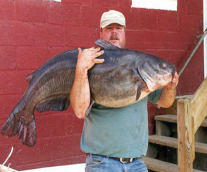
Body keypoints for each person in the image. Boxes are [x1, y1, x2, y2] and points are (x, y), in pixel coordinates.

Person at [70, 10, 179, 172]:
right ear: (100, 32)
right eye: (109, 28)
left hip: (137, 163)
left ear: (124, 32)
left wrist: (170, 88)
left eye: (119, 28)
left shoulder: (142, 69)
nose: (114, 32)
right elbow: (79, 110)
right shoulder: (88, 64)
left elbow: (165, 101)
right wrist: (81, 69)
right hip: (102, 163)